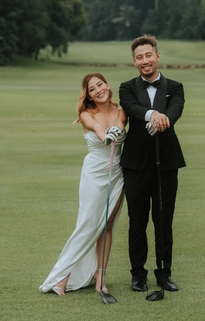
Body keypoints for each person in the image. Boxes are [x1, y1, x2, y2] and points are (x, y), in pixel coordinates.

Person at [40, 73, 127, 296]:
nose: (98, 90)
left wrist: (116, 130)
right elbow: (98, 129)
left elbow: (119, 123)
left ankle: (100, 276)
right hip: (94, 174)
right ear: (88, 95)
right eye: (92, 89)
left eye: (100, 85)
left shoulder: (121, 112)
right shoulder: (86, 114)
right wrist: (105, 134)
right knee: (87, 225)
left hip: (116, 173)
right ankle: (62, 277)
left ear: (108, 85)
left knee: (107, 225)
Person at [119, 35, 185, 293]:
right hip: (135, 165)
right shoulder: (127, 87)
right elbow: (131, 107)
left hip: (166, 163)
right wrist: (151, 114)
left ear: (157, 56)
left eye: (148, 55)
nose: (144, 61)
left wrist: (164, 118)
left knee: (163, 220)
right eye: (139, 57)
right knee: (137, 221)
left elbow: (176, 109)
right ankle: (138, 275)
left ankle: (164, 273)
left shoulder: (175, 87)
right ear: (134, 61)